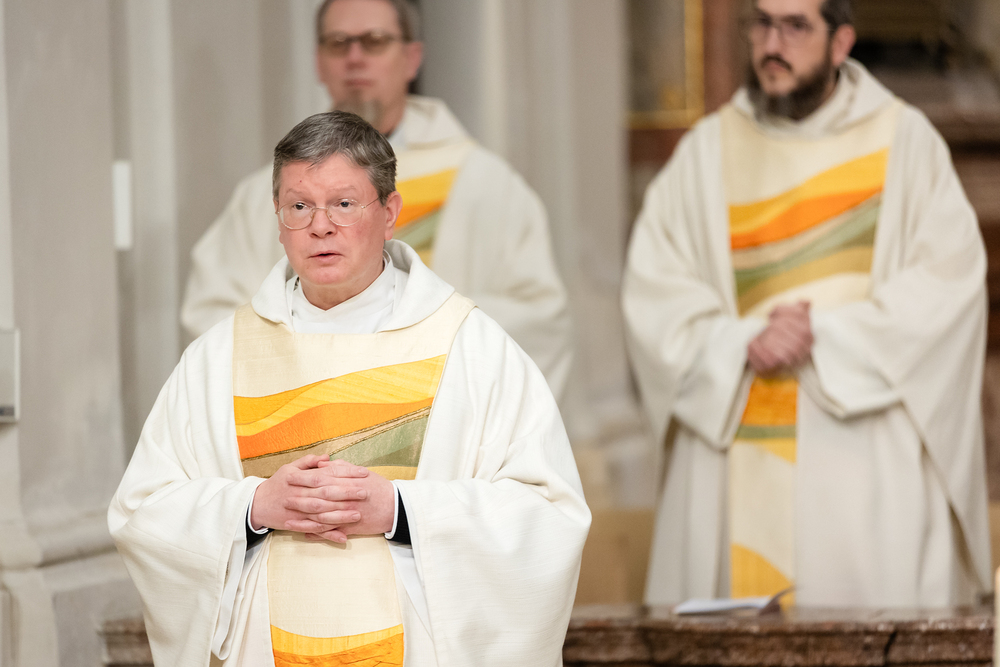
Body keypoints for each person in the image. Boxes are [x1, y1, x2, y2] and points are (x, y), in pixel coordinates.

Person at [109, 111, 590, 666]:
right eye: (299, 207)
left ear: (389, 213)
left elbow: (547, 514)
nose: (320, 226)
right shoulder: (218, 358)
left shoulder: (471, 348)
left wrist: (400, 511)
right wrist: (254, 506)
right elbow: (143, 510)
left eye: (343, 204)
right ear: (278, 218)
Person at [623, 0, 991, 607]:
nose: (773, 45)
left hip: (861, 453)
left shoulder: (905, 142)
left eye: (796, 26)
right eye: (763, 24)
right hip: (735, 436)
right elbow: (656, 287)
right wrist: (740, 342)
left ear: (841, 42)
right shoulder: (707, 151)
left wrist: (824, 334)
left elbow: (948, 284)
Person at [181, 0, 572, 400]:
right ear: (318, 63)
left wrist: (414, 338)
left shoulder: (486, 185)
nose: (354, 58)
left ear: (412, 58)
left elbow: (539, 320)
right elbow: (214, 321)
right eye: (338, 43)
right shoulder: (263, 194)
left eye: (374, 41)